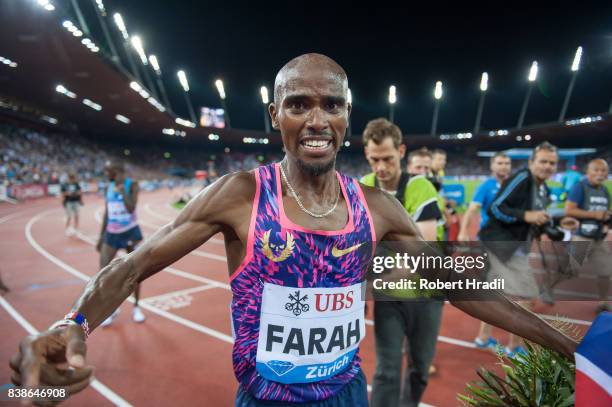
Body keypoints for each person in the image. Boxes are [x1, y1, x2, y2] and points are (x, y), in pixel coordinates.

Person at [10, 54, 578, 407]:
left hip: (347, 394)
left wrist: (571, 348)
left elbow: (462, 282)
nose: (316, 119)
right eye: (298, 104)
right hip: (264, 402)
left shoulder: (377, 209)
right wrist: (73, 321)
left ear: (347, 118)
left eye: (331, 105)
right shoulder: (240, 196)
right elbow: (133, 264)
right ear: (275, 117)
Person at [360, 119, 443, 407]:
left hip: (427, 295)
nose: (380, 167)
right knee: (386, 370)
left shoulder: (421, 188)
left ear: (402, 152)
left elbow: (425, 255)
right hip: (390, 296)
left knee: (419, 369)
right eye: (374, 159)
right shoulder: (363, 188)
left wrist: (371, 283)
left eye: (387, 159)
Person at [479, 142, 559, 356]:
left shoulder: (544, 190)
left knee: (495, 293)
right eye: (543, 161)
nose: (547, 166)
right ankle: (514, 347)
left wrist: (550, 226)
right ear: (532, 162)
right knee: (526, 295)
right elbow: (495, 207)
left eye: (552, 163)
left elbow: (535, 220)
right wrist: (526, 216)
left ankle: (483, 337)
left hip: (511, 245)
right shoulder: (523, 178)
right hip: (502, 244)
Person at [457, 153, 512, 350]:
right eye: (500, 163)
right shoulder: (486, 186)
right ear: (492, 166)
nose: (504, 166)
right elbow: (472, 209)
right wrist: (464, 230)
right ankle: (483, 337)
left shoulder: (514, 185)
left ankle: (485, 337)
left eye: (507, 163)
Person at [96, 160, 145, 325]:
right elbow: (107, 213)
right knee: (104, 272)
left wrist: (123, 191)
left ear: (116, 171)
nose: (105, 174)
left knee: (135, 272)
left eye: (107, 171)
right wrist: (101, 236)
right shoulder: (108, 186)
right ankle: (110, 309)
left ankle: (136, 307)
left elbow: (131, 208)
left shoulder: (132, 184)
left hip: (131, 232)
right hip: (112, 234)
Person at [565, 159, 612, 313]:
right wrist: (596, 214)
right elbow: (569, 210)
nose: (600, 173)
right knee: (570, 271)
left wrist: (606, 220)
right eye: (596, 170)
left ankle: (604, 301)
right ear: (588, 172)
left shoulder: (605, 191)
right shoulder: (580, 187)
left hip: (598, 239)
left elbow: (603, 213)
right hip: (581, 237)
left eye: (603, 170)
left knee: (605, 272)